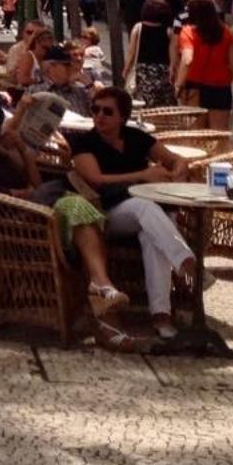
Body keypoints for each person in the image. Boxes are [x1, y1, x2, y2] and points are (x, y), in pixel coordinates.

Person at [0, 84, 132, 328]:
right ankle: (101, 288)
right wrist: (26, 193)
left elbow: (33, 181)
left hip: (34, 218)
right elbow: (2, 196)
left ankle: (101, 287)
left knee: (77, 207)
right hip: (18, 229)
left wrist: (21, 150)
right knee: (76, 205)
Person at [68, 87, 200, 343]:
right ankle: (184, 259)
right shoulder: (84, 143)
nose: (99, 116)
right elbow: (95, 179)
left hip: (145, 217)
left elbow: (176, 160)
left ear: (122, 117)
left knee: (153, 240)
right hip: (107, 213)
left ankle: (161, 316)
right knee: (145, 207)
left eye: (108, 111)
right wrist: (141, 176)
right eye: (95, 109)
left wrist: (177, 171)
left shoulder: (137, 138)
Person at [174, 0, 233, 131]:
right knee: (218, 135)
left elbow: (187, 59)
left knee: (196, 135)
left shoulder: (188, 32)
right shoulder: (226, 32)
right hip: (221, 88)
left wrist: (178, 85)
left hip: (194, 88)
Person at [122, 0, 177, 107]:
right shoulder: (169, 31)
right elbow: (173, 54)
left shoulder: (138, 28)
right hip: (163, 72)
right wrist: (173, 71)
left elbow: (131, 52)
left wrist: (126, 70)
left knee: (144, 106)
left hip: (143, 72)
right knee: (164, 107)